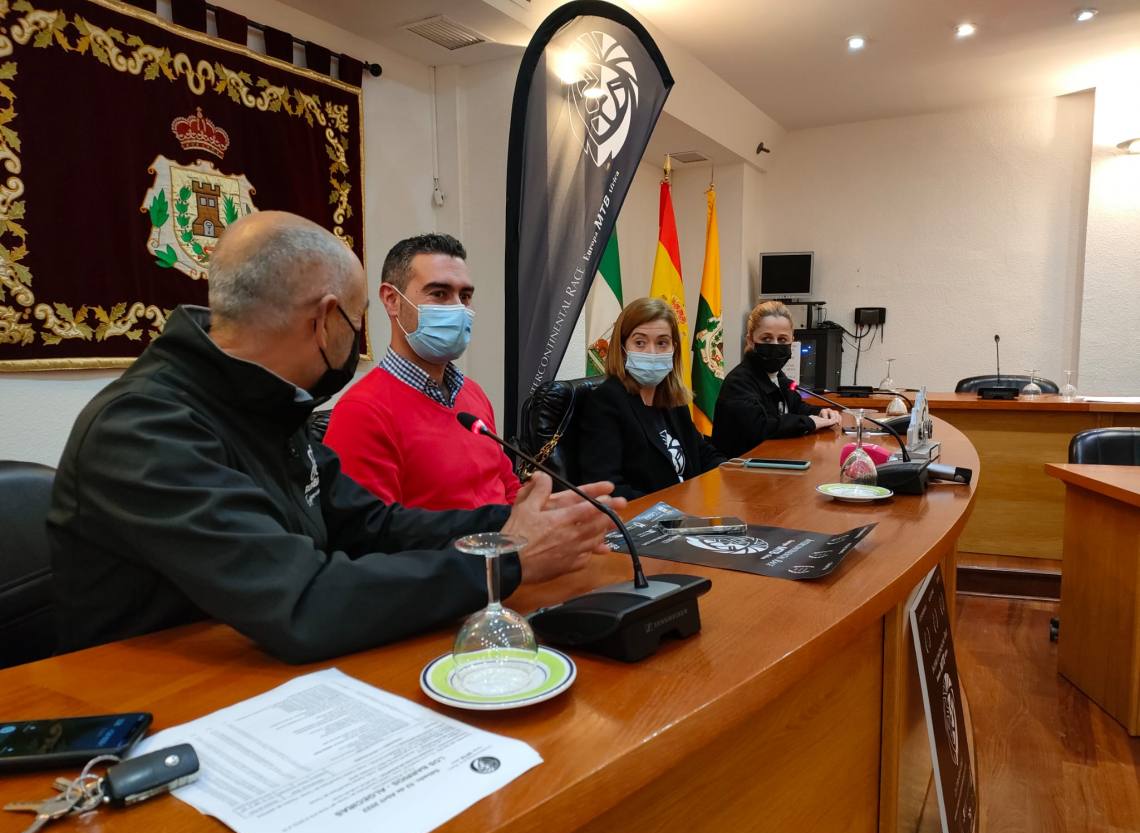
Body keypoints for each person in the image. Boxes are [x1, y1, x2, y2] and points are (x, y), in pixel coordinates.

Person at [48, 212, 623, 664]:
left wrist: (508, 527)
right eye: (357, 319)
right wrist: (509, 563)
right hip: (154, 696)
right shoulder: (145, 428)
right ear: (326, 321)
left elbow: (370, 525)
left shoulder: (268, 404)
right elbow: (300, 600)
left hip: (248, 664)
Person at [323, 234, 519, 511]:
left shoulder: (473, 393)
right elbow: (371, 529)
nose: (458, 309)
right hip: (469, 541)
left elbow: (507, 486)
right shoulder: (361, 412)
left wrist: (547, 512)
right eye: (439, 294)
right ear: (392, 299)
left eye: (465, 296)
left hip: (507, 538)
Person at [576, 297, 726, 500]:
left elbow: (702, 453)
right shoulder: (606, 401)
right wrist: (670, 508)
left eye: (662, 343)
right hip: (647, 516)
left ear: (674, 349)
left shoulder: (671, 397)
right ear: (622, 349)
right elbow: (606, 488)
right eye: (640, 343)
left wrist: (731, 472)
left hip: (689, 508)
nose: (652, 352)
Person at [712, 300, 842, 458]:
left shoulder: (779, 377)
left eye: (782, 340)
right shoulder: (738, 382)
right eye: (766, 339)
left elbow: (796, 406)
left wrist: (820, 412)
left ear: (792, 341)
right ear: (750, 340)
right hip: (742, 467)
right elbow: (761, 427)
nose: (775, 345)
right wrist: (810, 422)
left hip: (774, 460)